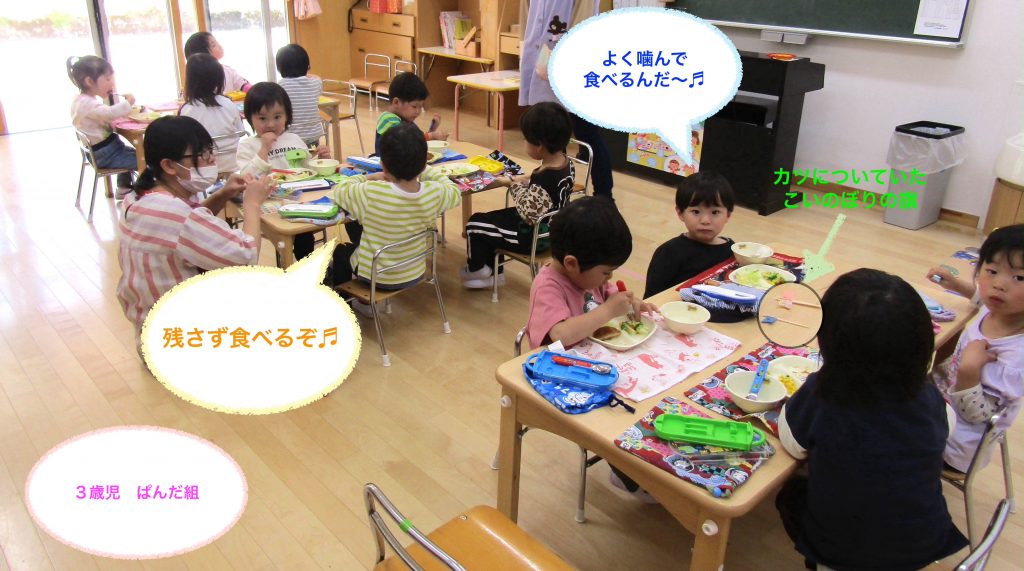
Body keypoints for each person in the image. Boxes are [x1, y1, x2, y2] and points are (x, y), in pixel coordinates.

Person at [775, 268, 968, 570]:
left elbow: (792, 442)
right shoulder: (927, 395)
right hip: (922, 542)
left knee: (790, 493)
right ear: (921, 342)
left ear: (827, 340)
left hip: (842, 553)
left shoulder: (822, 393)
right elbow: (948, 427)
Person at [116, 116, 272, 348]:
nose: (211, 160)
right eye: (201, 154)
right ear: (169, 165)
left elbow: (185, 230)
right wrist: (252, 204)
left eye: (210, 151)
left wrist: (223, 194)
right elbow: (245, 255)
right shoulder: (177, 214)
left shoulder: (137, 197)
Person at [330, 123, 460, 317]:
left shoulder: (372, 192)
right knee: (364, 228)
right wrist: (426, 170)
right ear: (423, 163)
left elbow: (339, 190)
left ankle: (352, 306)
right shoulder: (434, 193)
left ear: (383, 164)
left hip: (377, 277)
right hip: (414, 271)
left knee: (341, 251)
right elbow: (454, 191)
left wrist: (369, 177)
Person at [927, 224, 1024, 474]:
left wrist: (970, 370)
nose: (998, 284)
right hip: (938, 402)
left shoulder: (1015, 357)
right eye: (991, 271)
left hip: (952, 447)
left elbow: (977, 415)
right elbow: (983, 300)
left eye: (1019, 278)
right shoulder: (1000, 308)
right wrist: (957, 285)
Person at [462, 101, 575, 289]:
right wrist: (524, 179)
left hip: (532, 237)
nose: (524, 142)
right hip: (552, 229)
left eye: (525, 139)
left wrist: (514, 186)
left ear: (539, 146)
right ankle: (494, 272)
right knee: (486, 219)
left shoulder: (546, 177)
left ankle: (478, 271)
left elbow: (528, 213)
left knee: (475, 225)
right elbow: (544, 192)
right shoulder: (564, 163)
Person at [525, 196, 654, 349]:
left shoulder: (589, 276)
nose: (609, 278)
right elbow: (560, 335)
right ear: (572, 264)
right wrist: (608, 310)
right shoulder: (547, 287)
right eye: (606, 272)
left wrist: (630, 303)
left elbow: (614, 298)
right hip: (560, 361)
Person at [518, 0, 615, 201]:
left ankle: (604, 198)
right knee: (551, 133)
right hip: (539, 56)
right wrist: (525, 44)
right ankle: (554, 190)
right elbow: (527, 13)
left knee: (587, 133)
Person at [236, 82, 327, 261]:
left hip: (298, 200)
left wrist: (320, 159)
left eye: (277, 117)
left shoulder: (293, 139)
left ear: (287, 116)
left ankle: (305, 266)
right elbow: (247, 177)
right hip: (267, 204)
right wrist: (264, 149)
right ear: (250, 119)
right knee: (283, 238)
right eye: (262, 118)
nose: (271, 124)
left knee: (304, 234)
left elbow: (306, 170)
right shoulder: (247, 146)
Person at [643, 170, 735, 298]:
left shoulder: (732, 251)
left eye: (715, 212)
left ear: (728, 215)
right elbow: (652, 299)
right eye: (696, 212)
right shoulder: (669, 252)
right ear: (680, 213)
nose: (705, 221)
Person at [69, 55, 136, 197]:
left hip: (101, 153)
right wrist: (128, 103)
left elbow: (102, 116)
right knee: (145, 160)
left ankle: (123, 187)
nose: (112, 83)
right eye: (107, 79)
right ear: (89, 81)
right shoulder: (87, 103)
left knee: (136, 152)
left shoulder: (80, 100)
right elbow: (110, 113)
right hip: (106, 155)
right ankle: (144, 192)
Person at [178, 53, 246, 174]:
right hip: (233, 164)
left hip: (204, 167)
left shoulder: (187, 109)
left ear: (189, 80)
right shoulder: (228, 103)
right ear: (218, 78)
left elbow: (184, 143)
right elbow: (241, 132)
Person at [374, 72, 448, 156]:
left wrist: (432, 130)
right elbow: (406, 142)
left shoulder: (406, 119)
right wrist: (431, 136)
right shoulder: (388, 120)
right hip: (390, 163)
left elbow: (418, 142)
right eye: (414, 106)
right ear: (396, 102)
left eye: (421, 107)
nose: (418, 111)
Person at [275, 43, 325, 147]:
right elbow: (315, 77)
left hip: (290, 138)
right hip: (313, 137)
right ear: (307, 65)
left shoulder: (281, 85)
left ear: (280, 68)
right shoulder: (316, 82)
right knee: (309, 155)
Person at [184, 32, 251, 93]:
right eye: (213, 45)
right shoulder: (198, 77)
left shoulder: (227, 70)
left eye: (217, 42)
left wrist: (253, 90)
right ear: (203, 55)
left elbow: (242, 85)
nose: (219, 46)